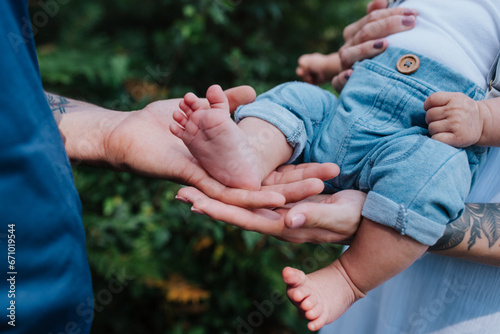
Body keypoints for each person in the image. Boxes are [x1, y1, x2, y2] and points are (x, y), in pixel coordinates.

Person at [0, 1, 361, 333]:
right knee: (294, 98)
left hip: (52, 276)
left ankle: (249, 156)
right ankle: (250, 155)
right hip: (22, 282)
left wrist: (108, 130)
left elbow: (14, 90)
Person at [171, 0, 500, 330]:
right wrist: (331, 63)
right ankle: (248, 159)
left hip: (421, 138)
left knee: (431, 172)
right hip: (349, 109)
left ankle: (348, 279)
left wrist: (483, 119)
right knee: (297, 99)